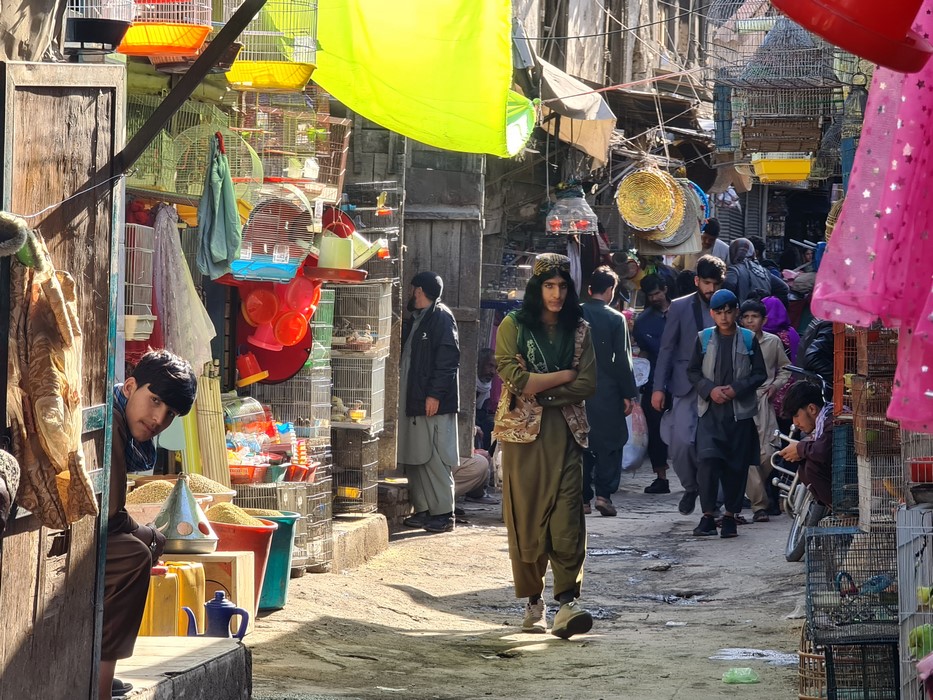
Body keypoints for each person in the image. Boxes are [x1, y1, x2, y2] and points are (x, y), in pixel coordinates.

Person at [495, 253, 597, 638]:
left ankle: (568, 602)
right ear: (537, 288)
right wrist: (564, 376)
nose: (556, 294)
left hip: (567, 435)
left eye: (562, 286)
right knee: (526, 522)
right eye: (548, 286)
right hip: (523, 439)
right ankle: (533, 599)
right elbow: (514, 377)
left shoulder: (580, 329)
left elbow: (587, 384)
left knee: (568, 517)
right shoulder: (514, 325)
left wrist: (546, 390)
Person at [103, 350, 197, 700]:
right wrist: (145, 533)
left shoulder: (125, 428)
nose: (158, 418)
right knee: (133, 555)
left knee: (144, 545)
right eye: (154, 400)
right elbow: (109, 513)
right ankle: (99, 676)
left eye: (169, 413)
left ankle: (101, 664)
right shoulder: (109, 421)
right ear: (130, 386)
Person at [687, 289, 767, 538]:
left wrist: (736, 389)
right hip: (710, 413)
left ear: (736, 313)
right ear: (711, 313)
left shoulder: (747, 338)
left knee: (736, 466)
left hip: (739, 415)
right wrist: (709, 390)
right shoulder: (703, 338)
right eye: (718, 312)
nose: (724, 316)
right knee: (708, 463)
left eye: (729, 311)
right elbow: (692, 372)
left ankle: (730, 516)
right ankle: (708, 515)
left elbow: (759, 373)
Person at [652, 255, 726, 517]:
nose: (711, 289)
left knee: (714, 447)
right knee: (681, 443)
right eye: (706, 283)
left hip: (718, 388)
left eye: (716, 284)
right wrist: (658, 387)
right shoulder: (680, 307)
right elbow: (667, 348)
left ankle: (712, 501)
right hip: (685, 386)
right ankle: (691, 487)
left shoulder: (727, 306)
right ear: (697, 281)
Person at [399, 271, 461, 534]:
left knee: (434, 457)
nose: (411, 293)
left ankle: (444, 514)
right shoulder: (419, 317)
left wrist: (434, 395)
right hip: (415, 400)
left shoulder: (441, 317)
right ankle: (424, 509)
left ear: (420, 291)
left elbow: (448, 361)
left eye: (414, 289)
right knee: (415, 456)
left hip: (432, 402)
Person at [581, 266, 638, 516]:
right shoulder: (616, 319)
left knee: (581, 444)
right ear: (611, 291)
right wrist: (629, 394)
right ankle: (604, 495)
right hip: (608, 391)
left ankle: (582, 499)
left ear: (590, 289)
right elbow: (623, 361)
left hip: (577, 390)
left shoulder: (575, 314)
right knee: (611, 445)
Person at [739, 298, 791, 522]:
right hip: (741, 400)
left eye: (755, 317)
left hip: (764, 401)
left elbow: (786, 368)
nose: (750, 321)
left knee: (769, 452)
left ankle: (756, 494)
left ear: (764, 320)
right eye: (747, 317)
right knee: (745, 453)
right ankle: (760, 505)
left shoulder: (773, 342)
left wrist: (775, 386)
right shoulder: (736, 341)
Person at [633, 273, 672, 494]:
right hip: (654, 380)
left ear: (665, 290)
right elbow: (645, 352)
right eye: (651, 295)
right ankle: (661, 476)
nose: (655, 298)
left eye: (657, 293)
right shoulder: (643, 322)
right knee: (655, 430)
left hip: (681, 379)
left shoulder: (681, 312)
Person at [777, 380, 834, 507]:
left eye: (797, 415)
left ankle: (837, 509)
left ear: (812, 409)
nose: (795, 423)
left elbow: (822, 451)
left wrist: (799, 449)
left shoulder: (833, 421)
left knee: (811, 466)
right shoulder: (824, 422)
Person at [723, 238, 790, 306]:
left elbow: (728, 287)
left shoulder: (734, 270)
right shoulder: (764, 271)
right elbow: (784, 288)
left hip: (744, 313)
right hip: (761, 314)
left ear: (732, 252)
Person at [475, 348, 496, 452]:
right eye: (490, 366)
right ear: (480, 363)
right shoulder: (468, 380)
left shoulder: (486, 386)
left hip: (478, 418)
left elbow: (483, 412)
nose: (493, 372)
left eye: (495, 368)